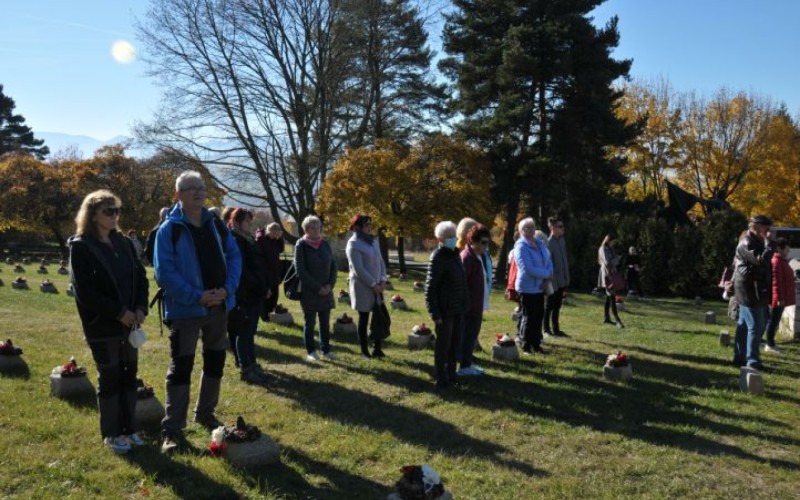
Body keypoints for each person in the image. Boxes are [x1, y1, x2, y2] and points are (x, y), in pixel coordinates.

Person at [154, 171, 242, 454]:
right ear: (178, 195)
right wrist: (197, 295)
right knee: (181, 366)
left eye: (202, 187)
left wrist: (227, 288)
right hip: (186, 309)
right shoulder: (170, 229)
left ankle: (205, 413)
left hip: (219, 305)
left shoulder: (216, 224)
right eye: (191, 188)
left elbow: (234, 256)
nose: (199, 192)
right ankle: (172, 429)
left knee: (215, 361)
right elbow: (164, 272)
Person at [68, 190, 149, 455]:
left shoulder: (123, 242)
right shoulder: (81, 247)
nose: (115, 216)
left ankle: (130, 428)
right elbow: (85, 291)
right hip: (102, 326)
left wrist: (140, 308)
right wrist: (118, 312)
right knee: (111, 376)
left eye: (117, 210)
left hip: (131, 323)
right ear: (93, 215)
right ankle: (112, 434)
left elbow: (140, 277)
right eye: (108, 211)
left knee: (129, 375)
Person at [227, 208, 270, 383]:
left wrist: (264, 287)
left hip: (255, 292)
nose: (249, 224)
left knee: (250, 332)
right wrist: (260, 288)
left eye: (250, 221)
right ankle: (245, 367)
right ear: (236, 222)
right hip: (245, 293)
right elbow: (243, 271)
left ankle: (252, 363)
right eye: (246, 221)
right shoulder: (235, 240)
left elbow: (258, 265)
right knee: (243, 332)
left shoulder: (248, 239)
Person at [425, 221, 468, 388]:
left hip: (457, 308)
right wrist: (435, 313)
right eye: (449, 236)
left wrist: (465, 303)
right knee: (443, 345)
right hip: (445, 310)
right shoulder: (437, 257)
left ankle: (452, 373)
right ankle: (441, 377)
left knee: (455, 343)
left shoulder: (455, 255)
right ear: (440, 238)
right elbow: (431, 288)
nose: (453, 239)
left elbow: (461, 282)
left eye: (453, 235)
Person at [732, 215, 774, 370]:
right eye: (765, 227)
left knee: (744, 324)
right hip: (749, 289)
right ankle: (752, 361)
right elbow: (761, 260)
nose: (769, 230)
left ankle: (740, 357)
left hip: (755, 287)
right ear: (754, 227)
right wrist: (770, 244)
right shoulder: (747, 242)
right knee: (756, 325)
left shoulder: (757, 241)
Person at [295, 215, 338, 361]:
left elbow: (334, 266)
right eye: (312, 228)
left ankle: (326, 350)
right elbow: (300, 270)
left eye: (318, 227)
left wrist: (329, 285)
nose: (316, 230)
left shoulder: (325, 244)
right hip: (310, 292)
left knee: (325, 323)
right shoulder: (301, 245)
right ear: (306, 229)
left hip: (326, 290)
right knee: (310, 322)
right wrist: (317, 288)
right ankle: (311, 351)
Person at [345, 214, 388, 358]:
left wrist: (383, 279)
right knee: (364, 319)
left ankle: (377, 349)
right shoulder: (353, 244)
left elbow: (381, 261)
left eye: (371, 225)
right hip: (363, 287)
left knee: (378, 316)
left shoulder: (373, 242)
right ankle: (364, 351)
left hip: (378, 286)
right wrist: (373, 284)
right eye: (366, 225)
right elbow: (358, 269)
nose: (370, 228)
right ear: (358, 227)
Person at [514, 218, 553, 354]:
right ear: (521, 231)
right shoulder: (520, 247)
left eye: (533, 227)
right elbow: (527, 268)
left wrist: (548, 276)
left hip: (540, 286)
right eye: (527, 227)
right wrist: (546, 274)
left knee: (538, 316)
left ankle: (536, 345)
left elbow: (548, 260)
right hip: (527, 288)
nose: (531, 229)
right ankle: (526, 345)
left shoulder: (539, 243)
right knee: (528, 317)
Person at [458, 224, 492, 376]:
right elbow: (462, 284)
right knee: (467, 336)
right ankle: (464, 367)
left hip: (476, 305)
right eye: (483, 242)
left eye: (487, 243)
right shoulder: (467, 258)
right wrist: (468, 305)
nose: (485, 246)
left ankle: (467, 364)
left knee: (471, 336)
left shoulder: (478, 256)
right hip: (469, 307)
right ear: (473, 241)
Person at [764, 237, 795, 354]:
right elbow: (776, 282)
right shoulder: (776, 261)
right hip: (777, 299)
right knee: (772, 322)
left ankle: (771, 343)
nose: (789, 250)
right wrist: (779, 298)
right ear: (779, 248)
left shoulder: (781, 260)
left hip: (781, 298)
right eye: (787, 248)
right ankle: (769, 345)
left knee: (774, 322)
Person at [545, 217, 570, 336]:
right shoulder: (549, 243)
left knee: (557, 305)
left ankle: (556, 329)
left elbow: (564, 260)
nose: (563, 228)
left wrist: (566, 278)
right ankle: (546, 329)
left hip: (561, 280)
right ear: (553, 228)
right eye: (560, 226)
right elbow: (548, 264)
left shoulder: (562, 241)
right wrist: (552, 281)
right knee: (549, 305)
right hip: (552, 281)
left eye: (563, 226)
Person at [256, 222, 285, 320]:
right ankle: (264, 315)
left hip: (275, 271)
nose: (275, 234)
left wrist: (280, 238)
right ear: (269, 230)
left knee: (274, 294)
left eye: (277, 233)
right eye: (274, 232)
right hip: (265, 271)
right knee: (266, 294)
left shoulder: (275, 240)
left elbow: (281, 249)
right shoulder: (261, 239)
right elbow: (259, 256)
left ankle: (270, 313)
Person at [598, 233, 625, 329]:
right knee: (612, 296)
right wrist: (617, 258)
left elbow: (614, 262)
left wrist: (617, 258)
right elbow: (607, 262)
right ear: (609, 240)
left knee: (608, 296)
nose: (614, 243)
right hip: (607, 274)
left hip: (611, 273)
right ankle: (617, 320)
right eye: (613, 241)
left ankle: (606, 318)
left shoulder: (610, 249)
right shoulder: (603, 249)